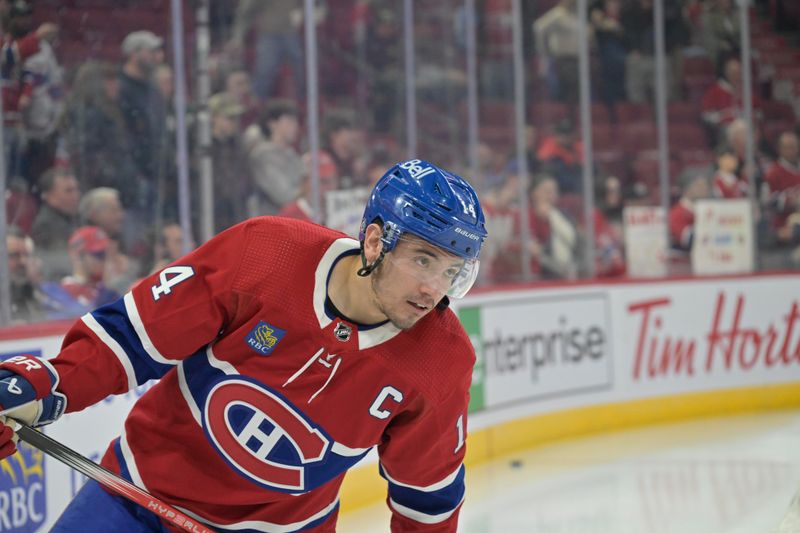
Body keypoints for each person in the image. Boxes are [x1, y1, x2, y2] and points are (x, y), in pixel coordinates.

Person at [0, 159, 487, 532]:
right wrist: (46, 385)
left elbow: (427, 496)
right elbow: (133, 338)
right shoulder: (266, 254)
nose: (434, 289)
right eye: (424, 260)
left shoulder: (441, 359)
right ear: (377, 241)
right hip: (138, 495)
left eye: (451, 272)